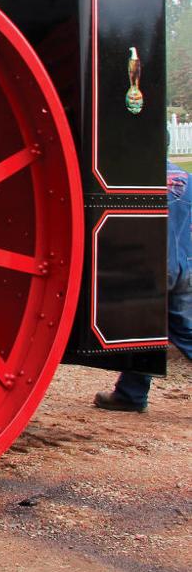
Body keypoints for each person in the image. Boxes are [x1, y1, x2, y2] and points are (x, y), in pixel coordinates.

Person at [94, 162, 192, 411]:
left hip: (152, 266)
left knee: (154, 330)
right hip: (184, 264)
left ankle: (132, 395)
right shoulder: (187, 179)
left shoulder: (139, 174)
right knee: (154, 329)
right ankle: (131, 393)